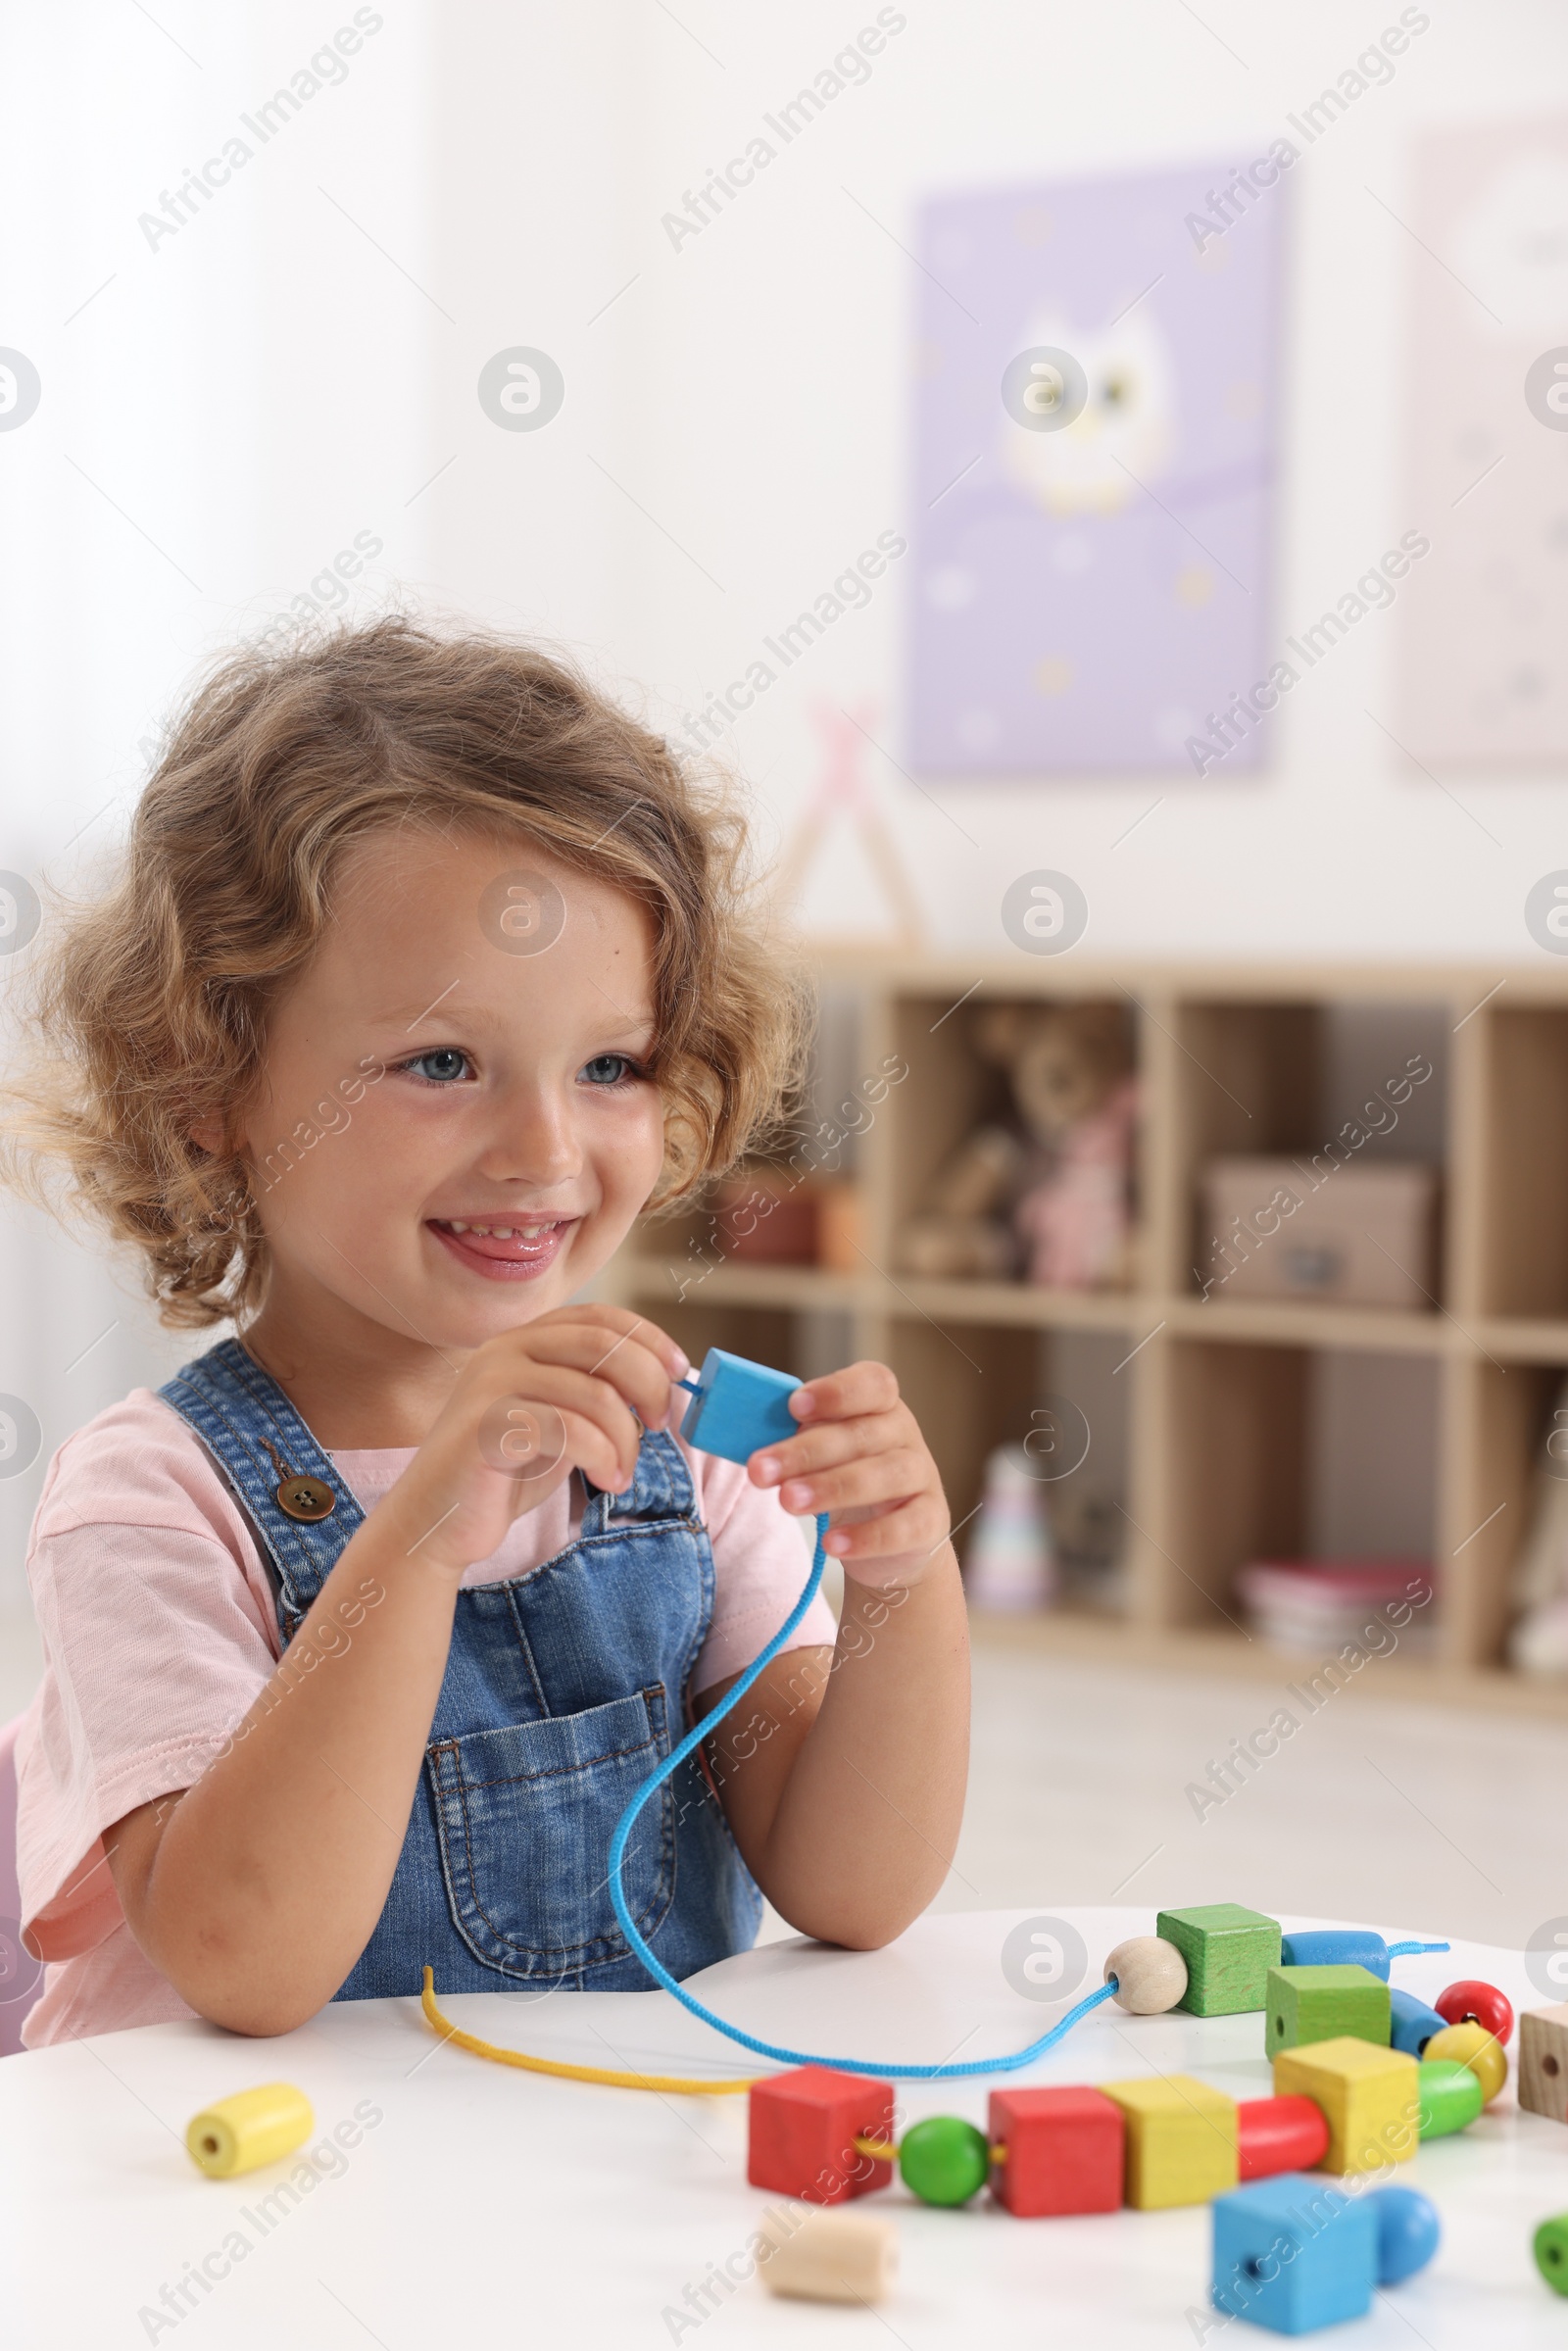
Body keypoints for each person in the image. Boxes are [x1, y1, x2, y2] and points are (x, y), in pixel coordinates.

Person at [1, 617, 969, 2043]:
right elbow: (245, 1962)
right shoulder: (151, 1503)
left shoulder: (687, 1469)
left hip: (571, 2208)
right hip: (239, 2218)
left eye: (610, 1066)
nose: (543, 1146)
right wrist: (421, 1539)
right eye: (442, 1062)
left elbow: (854, 1889)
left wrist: (906, 1578)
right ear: (209, 1082)